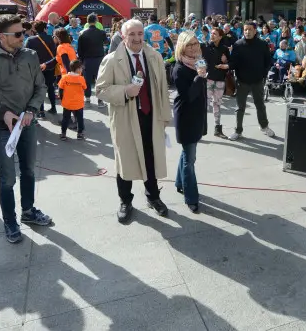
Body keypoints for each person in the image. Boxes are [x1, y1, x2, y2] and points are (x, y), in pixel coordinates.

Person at [0, 14, 52, 244]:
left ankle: (28, 211)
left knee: (29, 171)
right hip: (2, 127)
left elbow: (40, 86)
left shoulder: (30, 55)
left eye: (23, 31)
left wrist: (32, 110)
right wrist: (1, 113)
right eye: (17, 34)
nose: (23, 36)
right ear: (1, 36)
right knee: (7, 178)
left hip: (29, 123)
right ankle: (10, 221)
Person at [96, 19, 171, 223]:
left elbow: (162, 88)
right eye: (132, 34)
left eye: (140, 33)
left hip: (151, 116)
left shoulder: (154, 57)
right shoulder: (111, 60)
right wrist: (125, 91)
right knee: (125, 161)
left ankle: (153, 197)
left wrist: (165, 116)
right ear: (123, 35)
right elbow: (100, 90)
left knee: (151, 157)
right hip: (126, 118)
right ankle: (125, 201)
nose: (137, 38)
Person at [172, 31, 208, 213]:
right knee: (190, 159)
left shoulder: (198, 62)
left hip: (198, 115)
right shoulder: (179, 68)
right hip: (186, 116)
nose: (194, 47)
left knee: (187, 153)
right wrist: (199, 77)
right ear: (182, 47)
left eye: (196, 43)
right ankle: (191, 197)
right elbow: (188, 95)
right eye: (189, 45)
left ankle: (180, 182)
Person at [228, 21, 275, 141]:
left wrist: (263, 74)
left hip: (257, 81)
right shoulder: (238, 44)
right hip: (242, 81)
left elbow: (268, 61)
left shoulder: (262, 44)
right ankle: (238, 131)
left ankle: (264, 126)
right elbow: (233, 62)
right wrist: (226, 64)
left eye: (250, 29)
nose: (247, 32)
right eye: (245, 30)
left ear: (255, 31)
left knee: (260, 105)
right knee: (240, 107)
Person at [25, 21, 60, 119]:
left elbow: (26, 54)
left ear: (35, 29)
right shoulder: (50, 38)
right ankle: (53, 107)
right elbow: (54, 53)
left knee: (38, 89)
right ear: (45, 28)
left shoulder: (30, 40)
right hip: (50, 66)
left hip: (36, 68)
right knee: (50, 88)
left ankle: (41, 111)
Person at [201, 27, 231, 139]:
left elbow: (230, 64)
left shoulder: (224, 49)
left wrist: (226, 61)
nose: (212, 35)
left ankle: (217, 129)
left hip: (220, 80)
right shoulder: (205, 46)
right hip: (208, 80)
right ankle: (200, 130)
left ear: (220, 36)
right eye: (212, 33)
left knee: (217, 104)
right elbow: (199, 59)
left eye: (215, 34)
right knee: (204, 105)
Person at [77, 13, 109, 106]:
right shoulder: (101, 32)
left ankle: (87, 98)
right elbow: (106, 42)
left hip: (87, 59)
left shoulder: (82, 33)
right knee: (99, 79)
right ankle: (100, 100)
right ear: (96, 21)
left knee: (87, 79)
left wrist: (81, 61)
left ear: (87, 21)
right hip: (99, 59)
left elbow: (79, 49)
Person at [58, 59, 87, 140]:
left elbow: (60, 89)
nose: (82, 69)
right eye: (81, 68)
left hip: (67, 103)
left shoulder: (64, 78)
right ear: (77, 69)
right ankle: (80, 134)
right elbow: (85, 87)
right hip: (78, 103)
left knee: (65, 118)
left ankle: (63, 134)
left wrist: (62, 99)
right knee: (80, 119)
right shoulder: (81, 79)